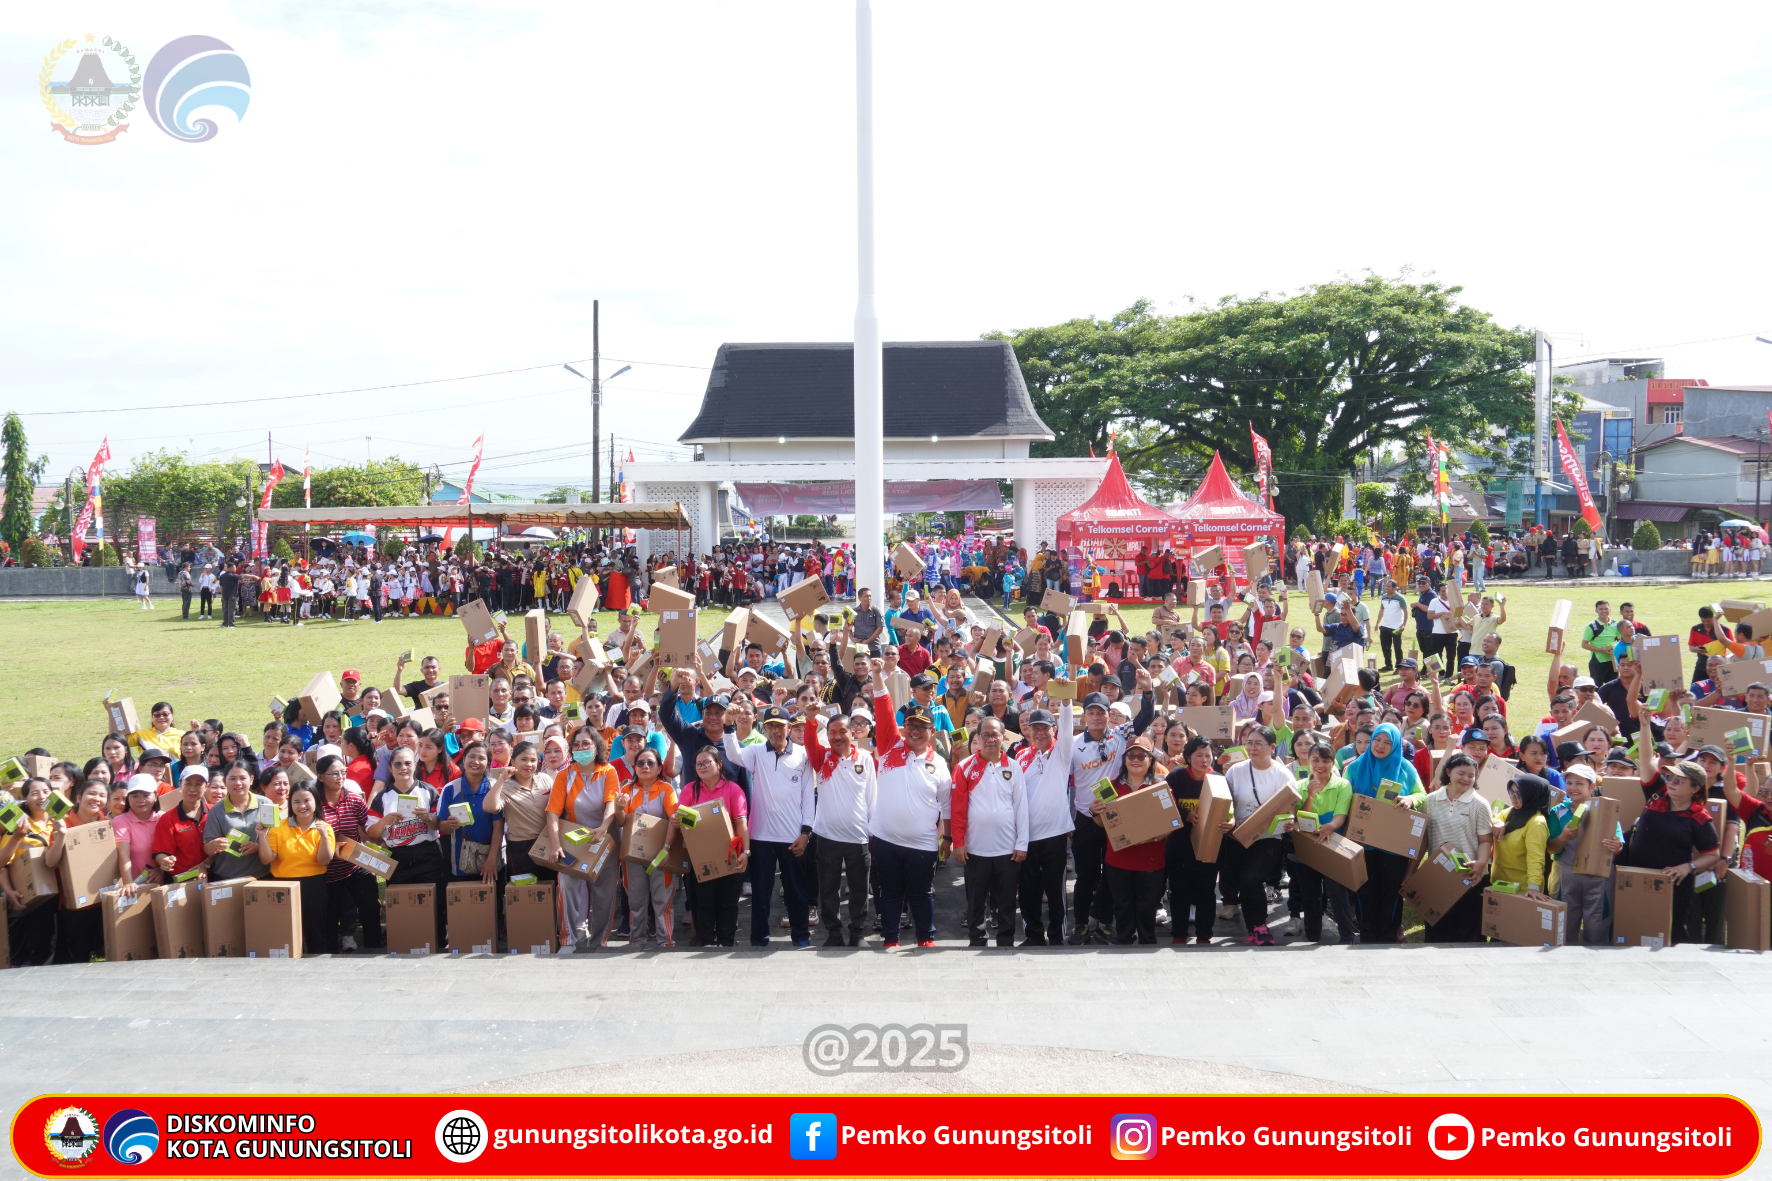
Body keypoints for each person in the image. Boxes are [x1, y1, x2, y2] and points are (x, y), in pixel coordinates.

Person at [869, 668, 954, 950]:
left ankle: (925, 939)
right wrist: (877, 675)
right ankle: (890, 939)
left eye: (922, 727)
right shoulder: (889, 746)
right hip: (885, 840)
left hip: (923, 844)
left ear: (932, 731)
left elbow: (946, 804)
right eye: (911, 725)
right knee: (890, 893)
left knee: (921, 894)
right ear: (904, 727)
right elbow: (883, 707)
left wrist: (948, 838)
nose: (915, 731)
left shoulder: (939, 764)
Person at [723, 704, 814, 948]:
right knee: (761, 892)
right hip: (761, 836)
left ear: (789, 728)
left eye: (779, 726)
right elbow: (732, 754)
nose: (775, 731)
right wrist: (729, 725)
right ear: (764, 728)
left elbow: (808, 796)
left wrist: (806, 833)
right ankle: (759, 938)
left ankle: (801, 936)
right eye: (770, 726)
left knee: (796, 891)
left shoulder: (802, 754)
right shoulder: (755, 752)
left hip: (792, 836)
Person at [1343, 722, 1424, 944]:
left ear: (1396, 745)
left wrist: (1410, 799)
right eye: (1377, 740)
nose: (1380, 746)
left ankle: (1389, 935)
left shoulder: (1405, 768)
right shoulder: (1355, 767)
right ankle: (1367, 934)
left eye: (1387, 742)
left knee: (1391, 891)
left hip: (1393, 844)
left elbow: (1421, 794)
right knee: (1365, 890)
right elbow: (1344, 797)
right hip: (1362, 844)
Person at [951, 717, 1029, 948]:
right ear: (978, 737)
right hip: (975, 848)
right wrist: (958, 842)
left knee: (1006, 901)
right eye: (985, 735)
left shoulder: (1013, 767)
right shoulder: (964, 767)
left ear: (1003, 737)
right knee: (976, 901)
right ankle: (977, 940)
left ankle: (1005, 942)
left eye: (995, 735)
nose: (990, 739)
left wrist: (1022, 843)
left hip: (1007, 848)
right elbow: (957, 809)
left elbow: (1021, 807)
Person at [803, 703, 876, 948]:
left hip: (858, 836)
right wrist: (810, 719)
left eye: (842, 731)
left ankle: (857, 933)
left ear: (852, 733)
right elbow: (810, 742)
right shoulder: (822, 758)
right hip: (827, 837)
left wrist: (872, 830)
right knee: (829, 890)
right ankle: (833, 933)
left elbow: (872, 797)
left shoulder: (864, 758)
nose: (837, 736)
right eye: (832, 732)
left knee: (859, 890)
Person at [543, 729, 621, 950]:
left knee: (604, 894)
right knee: (567, 886)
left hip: (604, 841)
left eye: (586, 744)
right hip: (572, 843)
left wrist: (603, 828)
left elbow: (611, 803)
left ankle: (599, 941)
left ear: (596, 746)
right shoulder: (564, 775)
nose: (581, 749)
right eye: (576, 745)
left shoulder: (608, 771)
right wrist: (555, 844)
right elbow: (552, 812)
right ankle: (568, 939)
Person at [366, 747, 449, 951]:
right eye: (398, 764)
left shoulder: (428, 791)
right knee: (402, 903)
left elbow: (439, 825)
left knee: (435, 902)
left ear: (415, 765)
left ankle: (438, 942)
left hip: (428, 855)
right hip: (398, 859)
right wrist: (384, 821)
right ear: (390, 768)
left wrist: (428, 818)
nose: (403, 767)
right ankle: (405, 942)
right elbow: (372, 833)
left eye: (408, 763)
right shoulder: (382, 797)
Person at [1221, 726, 1296, 945]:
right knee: (1244, 882)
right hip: (1238, 835)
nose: (1252, 748)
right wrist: (1230, 820)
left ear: (1272, 747)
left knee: (1251, 878)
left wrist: (1290, 820)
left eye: (1258, 744)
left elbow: (1290, 806)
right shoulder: (1236, 771)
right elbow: (1226, 802)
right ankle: (1252, 928)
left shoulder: (1282, 774)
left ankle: (1260, 925)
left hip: (1268, 837)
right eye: (1249, 743)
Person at [1090, 735, 1164, 944]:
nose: (1136, 760)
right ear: (1124, 759)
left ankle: (1147, 942)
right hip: (1119, 858)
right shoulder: (1109, 787)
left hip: (1151, 858)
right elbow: (1102, 823)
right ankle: (1124, 941)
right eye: (1131, 755)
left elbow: (1170, 821)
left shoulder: (1160, 787)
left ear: (1150, 760)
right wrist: (1095, 811)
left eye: (1142, 756)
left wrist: (1155, 836)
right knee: (1122, 905)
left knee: (1147, 906)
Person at [678, 746, 752, 947]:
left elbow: (741, 824)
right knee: (703, 901)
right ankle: (706, 941)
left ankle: (726, 942)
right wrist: (679, 819)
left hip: (730, 854)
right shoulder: (689, 790)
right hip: (700, 856)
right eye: (698, 764)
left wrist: (746, 852)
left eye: (707, 762)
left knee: (728, 903)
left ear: (719, 764)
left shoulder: (733, 789)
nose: (702, 767)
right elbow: (681, 819)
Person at [1285, 740, 1354, 944]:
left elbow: (1341, 815)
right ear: (1308, 761)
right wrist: (1310, 796)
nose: (1320, 765)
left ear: (1333, 763)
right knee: (1310, 894)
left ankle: (1347, 937)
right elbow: (1299, 817)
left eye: (1326, 761)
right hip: (1306, 849)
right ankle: (1312, 936)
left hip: (1332, 845)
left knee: (1337, 891)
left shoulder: (1342, 785)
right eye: (1315, 760)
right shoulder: (1299, 786)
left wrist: (1330, 826)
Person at [257, 782, 336, 954]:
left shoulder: (325, 827)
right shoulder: (279, 827)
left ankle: (317, 960)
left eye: (306, 800)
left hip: (313, 885)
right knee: (285, 930)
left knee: (315, 929)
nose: (302, 806)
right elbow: (266, 859)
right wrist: (262, 837)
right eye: (296, 801)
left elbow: (324, 861)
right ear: (290, 804)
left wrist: (323, 836)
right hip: (283, 885)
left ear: (316, 801)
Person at [44, 778, 114, 964]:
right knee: (79, 956)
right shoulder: (64, 823)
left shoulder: (108, 824)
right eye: (92, 793)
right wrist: (61, 835)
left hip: (105, 900)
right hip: (76, 905)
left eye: (102, 795)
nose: (96, 798)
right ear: (79, 797)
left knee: (108, 952)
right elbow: (50, 862)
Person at [316, 754, 379, 951]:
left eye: (343, 772)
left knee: (370, 907)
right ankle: (329, 954)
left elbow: (368, 828)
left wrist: (380, 846)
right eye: (334, 773)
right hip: (327, 871)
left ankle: (374, 948)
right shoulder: (314, 804)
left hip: (355, 864)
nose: (340, 777)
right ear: (321, 777)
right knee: (329, 916)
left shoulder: (354, 799)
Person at [1, 778, 58, 966]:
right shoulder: (19, 826)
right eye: (35, 793)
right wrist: (9, 891)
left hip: (62, 895)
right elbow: (2, 864)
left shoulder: (59, 821)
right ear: (25, 798)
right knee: (40, 947)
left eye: (46, 792)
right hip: (34, 898)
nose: (41, 797)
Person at [201, 763, 273, 883]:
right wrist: (214, 845)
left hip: (262, 876)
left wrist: (258, 847)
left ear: (251, 780)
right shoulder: (216, 811)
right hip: (226, 878)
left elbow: (276, 839)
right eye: (232, 778)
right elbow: (207, 849)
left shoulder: (266, 804)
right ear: (225, 781)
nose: (238, 783)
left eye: (243, 778)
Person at [1492, 774, 1553, 900]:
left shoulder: (1536, 822)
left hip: (1522, 890)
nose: (1512, 797)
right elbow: (1494, 819)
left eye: (1518, 794)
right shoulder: (1510, 812)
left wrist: (1533, 887)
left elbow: (1535, 857)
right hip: (1499, 884)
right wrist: (1497, 822)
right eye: (1511, 791)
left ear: (1531, 795)